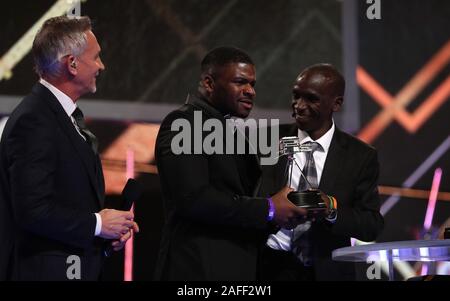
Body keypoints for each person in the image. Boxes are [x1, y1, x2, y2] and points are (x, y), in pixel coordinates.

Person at [0, 16, 138, 281]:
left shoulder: (60, 116)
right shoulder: (34, 120)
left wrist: (105, 236)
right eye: (96, 57)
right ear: (72, 64)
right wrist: (98, 224)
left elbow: (69, 202)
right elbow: (32, 211)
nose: (101, 65)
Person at [154, 46, 306, 280]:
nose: (250, 91)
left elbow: (236, 206)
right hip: (198, 270)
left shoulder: (228, 131)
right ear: (209, 83)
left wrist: (284, 214)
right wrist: (269, 208)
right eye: (240, 82)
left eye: (252, 84)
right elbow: (193, 199)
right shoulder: (184, 123)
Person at [259, 64, 384, 281]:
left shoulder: (360, 155)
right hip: (266, 268)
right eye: (296, 96)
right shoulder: (265, 140)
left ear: (336, 103)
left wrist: (331, 209)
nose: (299, 105)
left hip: (327, 272)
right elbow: (241, 203)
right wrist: (271, 209)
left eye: (311, 99)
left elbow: (371, 225)